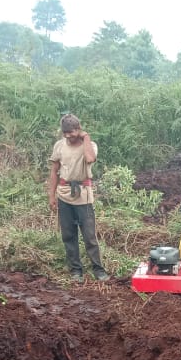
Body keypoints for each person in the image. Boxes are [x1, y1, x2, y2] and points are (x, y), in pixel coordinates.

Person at [48, 113, 109, 283]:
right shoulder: (59, 146)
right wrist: (51, 196)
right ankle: (76, 271)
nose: (68, 136)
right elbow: (54, 171)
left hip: (83, 196)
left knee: (89, 236)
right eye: (65, 132)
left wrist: (86, 137)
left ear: (79, 129)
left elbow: (90, 158)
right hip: (64, 194)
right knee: (68, 235)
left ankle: (98, 270)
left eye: (71, 132)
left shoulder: (90, 145)